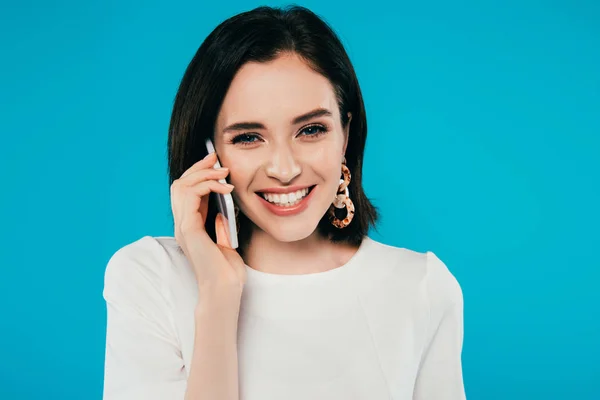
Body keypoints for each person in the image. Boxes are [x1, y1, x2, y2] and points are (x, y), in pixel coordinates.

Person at [102, 5, 466, 400]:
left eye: (310, 130)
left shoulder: (422, 287)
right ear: (209, 151)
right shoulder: (149, 278)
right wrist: (218, 297)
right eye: (248, 137)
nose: (284, 168)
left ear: (346, 132)